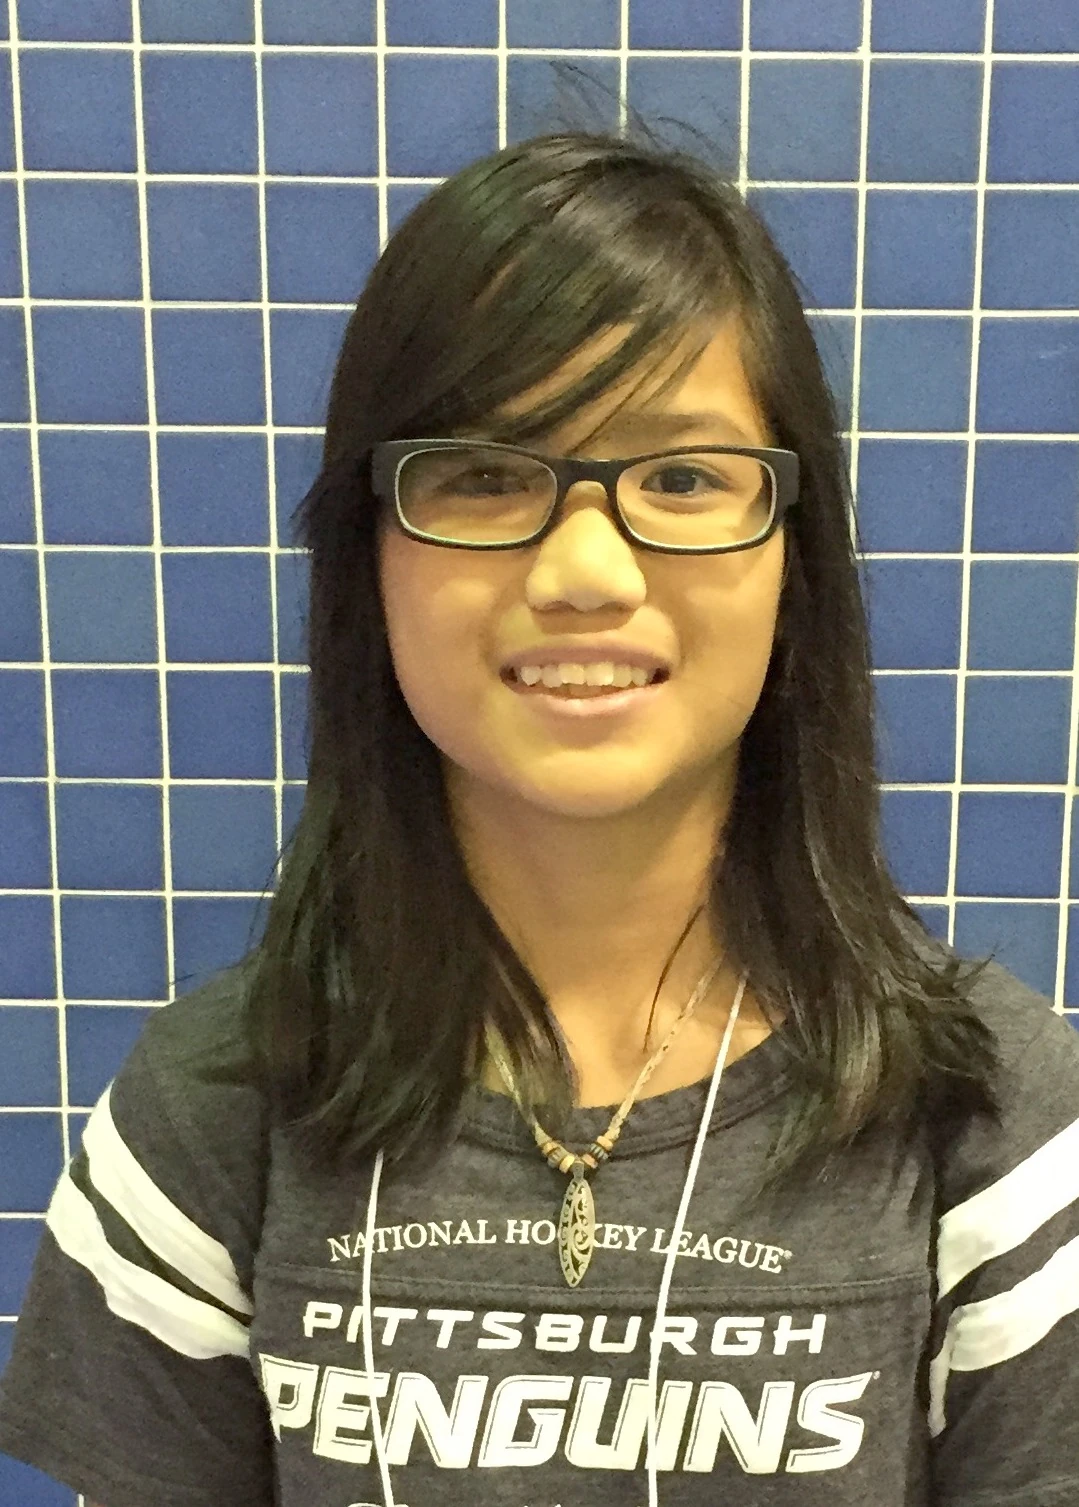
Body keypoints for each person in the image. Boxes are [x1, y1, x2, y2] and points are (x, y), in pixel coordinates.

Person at [1, 126, 1077, 1507]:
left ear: (790, 560)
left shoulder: (995, 1123)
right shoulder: (212, 1108)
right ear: (369, 552)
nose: (584, 570)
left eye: (681, 478)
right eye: (484, 474)